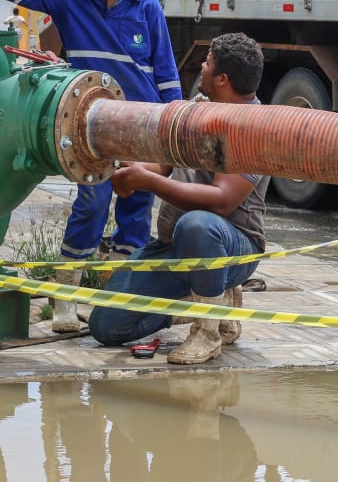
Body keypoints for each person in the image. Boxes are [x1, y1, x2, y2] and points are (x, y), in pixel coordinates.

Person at [0, 0, 182, 332]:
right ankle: (65, 300)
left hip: (140, 123)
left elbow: (166, 72)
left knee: (137, 208)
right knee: (92, 202)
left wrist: (167, 130)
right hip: (89, 123)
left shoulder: (147, 6)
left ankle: (121, 299)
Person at [87, 32, 268, 365]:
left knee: (197, 224)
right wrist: (128, 169)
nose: (201, 67)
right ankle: (204, 306)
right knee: (105, 325)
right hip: (174, 246)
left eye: (207, 63)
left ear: (223, 79)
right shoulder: (197, 111)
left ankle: (208, 332)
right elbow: (163, 165)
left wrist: (150, 182)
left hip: (231, 251)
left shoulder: (254, 130)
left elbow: (222, 201)